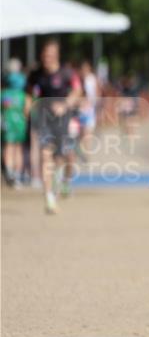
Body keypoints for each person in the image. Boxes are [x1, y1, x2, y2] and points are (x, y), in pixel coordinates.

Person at [25, 40, 82, 214]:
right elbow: (28, 93)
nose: (46, 58)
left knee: (67, 157)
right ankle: (49, 199)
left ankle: (64, 182)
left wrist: (65, 105)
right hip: (44, 120)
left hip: (65, 120)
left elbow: (77, 91)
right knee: (45, 155)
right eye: (44, 54)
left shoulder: (67, 72)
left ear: (56, 55)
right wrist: (28, 107)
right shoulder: (36, 74)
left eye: (50, 55)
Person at [2, 59, 28, 187]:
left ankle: (10, 173)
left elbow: (4, 108)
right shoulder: (23, 95)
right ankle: (17, 176)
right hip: (20, 124)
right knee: (18, 149)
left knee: (9, 147)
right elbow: (27, 111)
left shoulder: (4, 94)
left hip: (8, 123)